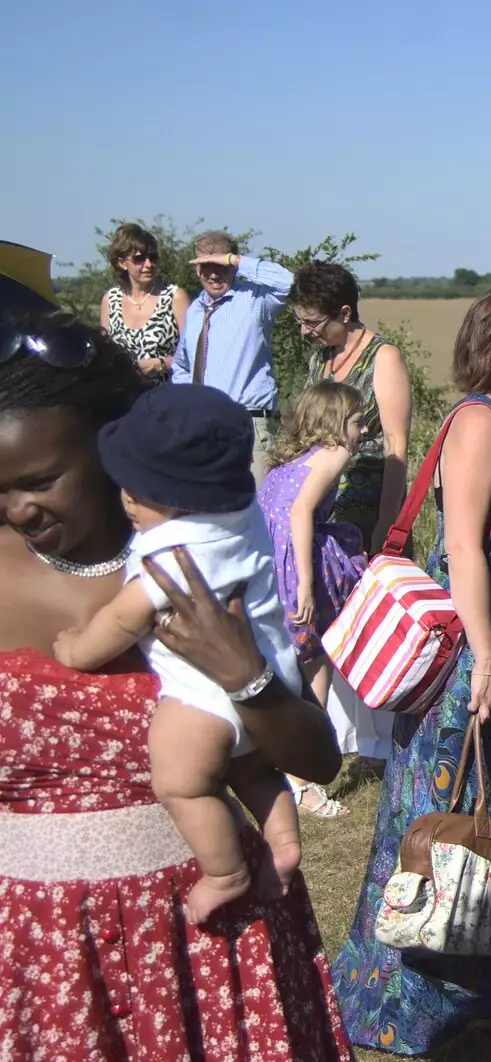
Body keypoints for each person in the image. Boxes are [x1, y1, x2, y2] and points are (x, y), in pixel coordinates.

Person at [0, 293, 351, 1059]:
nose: (18, 510)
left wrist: (247, 675)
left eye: (41, 478)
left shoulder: (203, 562)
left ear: (108, 446)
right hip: (41, 948)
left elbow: (317, 760)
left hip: (207, 934)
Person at [333, 284, 491, 1055]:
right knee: (458, 808)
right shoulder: (479, 420)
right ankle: (423, 995)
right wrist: (483, 659)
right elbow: (468, 547)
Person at [51, 383, 307, 926]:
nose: (125, 501)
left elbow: (123, 618)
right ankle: (283, 840)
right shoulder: (241, 515)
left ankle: (225, 872)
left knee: (181, 782)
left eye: (133, 492)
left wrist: (76, 650)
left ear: (173, 498)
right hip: (271, 673)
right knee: (256, 774)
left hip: (203, 696)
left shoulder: (171, 552)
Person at [258, 379, 370, 818]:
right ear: (335, 423)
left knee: (291, 664)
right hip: (296, 565)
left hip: (269, 564)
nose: (361, 433)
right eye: (357, 422)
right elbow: (301, 510)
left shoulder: (287, 462)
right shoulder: (334, 453)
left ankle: (283, 766)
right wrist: (306, 582)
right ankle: (304, 779)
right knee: (314, 660)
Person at [291, 262, 414, 549]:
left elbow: (396, 445)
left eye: (312, 322)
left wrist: (387, 521)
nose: (303, 331)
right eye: (300, 321)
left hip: (369, 507)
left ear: (345, 313)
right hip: (319, 501)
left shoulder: (384, 357)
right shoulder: (319, 360)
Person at [171, 231, 293, 482]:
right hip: (203, 427)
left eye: (220, 265)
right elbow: (182, 364)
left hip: (246, 424)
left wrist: (238, 261)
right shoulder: (195, 310)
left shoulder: (256, 299)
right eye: (206, 265)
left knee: (257, 510)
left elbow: (290, 282)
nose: (214, 274)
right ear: (196, 269)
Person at [100, 221, 188, 378]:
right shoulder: (110, 300)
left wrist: (162, 363)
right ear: (122, 263)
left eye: (153, 257)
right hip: (124, 396)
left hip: (164, 393)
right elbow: (104, 357)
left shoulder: (174, 297)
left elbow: (193, 356)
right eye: (139, 258)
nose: (149, 264)